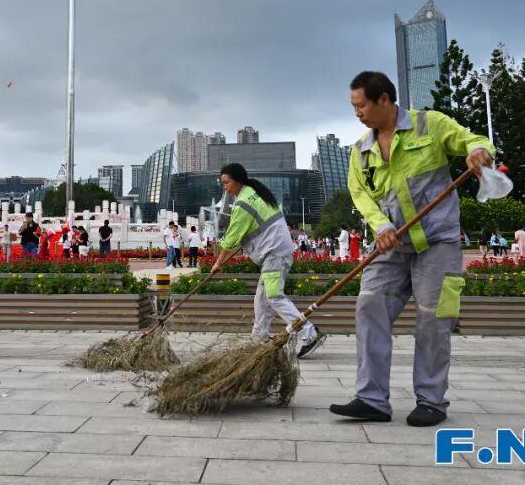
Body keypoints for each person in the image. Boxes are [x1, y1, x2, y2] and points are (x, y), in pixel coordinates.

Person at [331, 71, 493, 428]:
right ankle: (371, 398)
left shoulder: (429, 125)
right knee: (369, 305)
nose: (356, 112)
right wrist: (381, 226)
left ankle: (431, 401)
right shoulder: (360, 151)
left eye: (361, 105)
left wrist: (478, 151)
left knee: (434, 318)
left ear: (384, 100)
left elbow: (471, 139)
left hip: (438, 243)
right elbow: (361, 195)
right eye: (354, 106)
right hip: (392, 245)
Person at [210, 163, 325, 358]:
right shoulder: (254, 192)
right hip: (277, 252)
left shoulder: (243, 203)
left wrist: (218, 263)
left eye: (226, 183)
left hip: (274, 254)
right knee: (262, 299)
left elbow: (230, 239)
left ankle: (309, 334)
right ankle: (259, 337)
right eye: (223, 183)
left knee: (274, 296)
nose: (225, 187)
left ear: (237, 181)